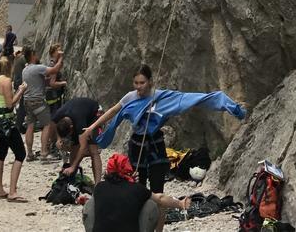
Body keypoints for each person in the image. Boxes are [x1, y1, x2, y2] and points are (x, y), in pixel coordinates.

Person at [83, 64, 245, 232]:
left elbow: (191, 99)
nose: (139, 87)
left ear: (150, 82)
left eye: (142, 83)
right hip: (137, 147)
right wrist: (91, 128)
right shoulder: (129, 98)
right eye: (136, 83)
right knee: (136, 191)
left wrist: (227, 105)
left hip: (155, 147)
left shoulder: (162, 97)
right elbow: (113, 111)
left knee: (157, 192)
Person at [83, 153, 190, 232]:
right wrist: (180, 204)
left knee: (90, 204)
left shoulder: (99, 187)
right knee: (151, 204)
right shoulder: (137, 189)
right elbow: (161, 198)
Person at [0, 55, 28, 202]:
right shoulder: (6, 81)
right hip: (7, 122)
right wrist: (21, 90)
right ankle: (12, 191)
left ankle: (0, 189)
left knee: (1, 154)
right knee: (20, 154)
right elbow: (10, 104)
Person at [21, 45, 64, 162]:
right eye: (36, 54)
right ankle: (44, 152)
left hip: (27, 100)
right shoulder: (37, 68)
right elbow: (54, 70)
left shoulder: (25, 70)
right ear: (32, 56)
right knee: (47, 124)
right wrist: (60, 58)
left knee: (30, 126)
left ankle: (29, 153)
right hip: (38, 101)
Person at [52, 96, 103, 183]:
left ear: (72, 128)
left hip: (94, 114)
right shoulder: (58, 115)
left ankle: (97, 184)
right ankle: (72, 178)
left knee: (93, 150)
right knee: (75, 146)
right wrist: (58, 138)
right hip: (78, 111)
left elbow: (82, 147)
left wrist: (73, 167)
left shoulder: (79, 123)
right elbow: (54, 124)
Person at [45, 41, 68, 117]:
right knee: (55, 118)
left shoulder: (52, 64)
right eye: (58, 51)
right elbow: (52, 83)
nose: (61, 52)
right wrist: (63, 83)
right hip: (53, 97)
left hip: (51, 96)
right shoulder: (53, 65)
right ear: (54, 53)